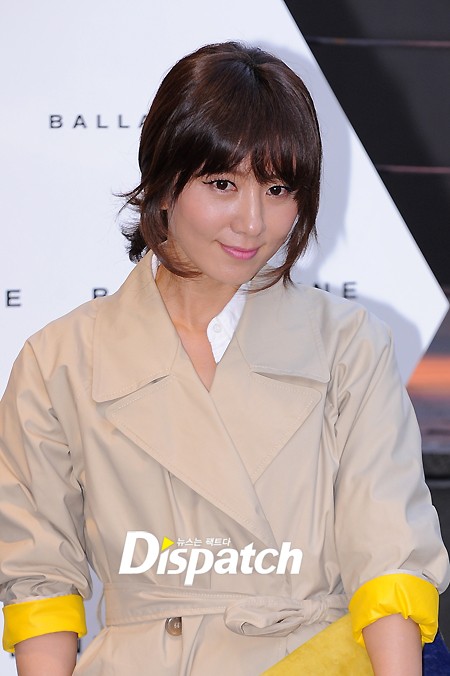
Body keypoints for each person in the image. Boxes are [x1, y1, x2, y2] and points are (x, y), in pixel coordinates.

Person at [0, 41, 448, 676]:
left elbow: (389, 556)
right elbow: (39, 579)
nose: (253, 222)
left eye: (278, 188)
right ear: (163, 182)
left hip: (315, 659)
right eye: (222, 184)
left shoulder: (349, 344)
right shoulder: (60, 362)